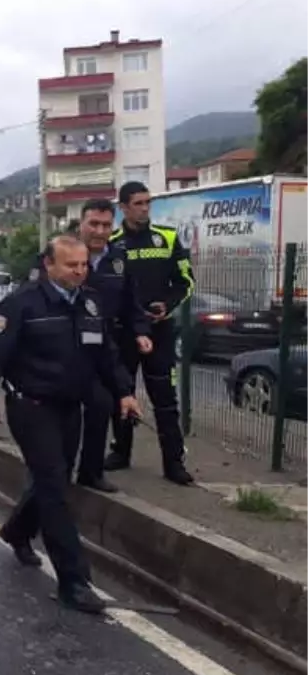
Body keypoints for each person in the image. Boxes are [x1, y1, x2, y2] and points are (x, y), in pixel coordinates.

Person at [0, 235, 141, 614]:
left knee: (54, 481)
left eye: (83, 265)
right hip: (30, 406)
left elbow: (107, 356)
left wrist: (124, 392)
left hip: (69, 407)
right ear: (50, 265)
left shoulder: (90, 303)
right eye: (71, 265)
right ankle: (74, 582)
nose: (80, 271)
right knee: (54, 489)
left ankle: (16, 531)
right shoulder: (22, 304)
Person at [31, 199, 153, 493]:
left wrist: (141, 331)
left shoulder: (120, 260)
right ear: (81, 224)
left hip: (105, 346)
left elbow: (132, 303)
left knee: (102, 404)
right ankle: (54, 466)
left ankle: (91, 471)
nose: (100, 231)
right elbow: (33, 298)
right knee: (62, 410)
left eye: (106, 225)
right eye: (93, 224)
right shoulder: (56, 256)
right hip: (65, 348)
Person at [106, 182, 196, 486]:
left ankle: (174, 464)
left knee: (165, 400)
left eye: (148, 202)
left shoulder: (167, 238)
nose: (144, 208)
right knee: (121, 395)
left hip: (160, 333)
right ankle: (120, 452)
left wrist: (166, 305)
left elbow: (185, 281)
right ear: (123, 208)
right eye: (138, 203)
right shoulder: (112, 242)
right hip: (123, 334)